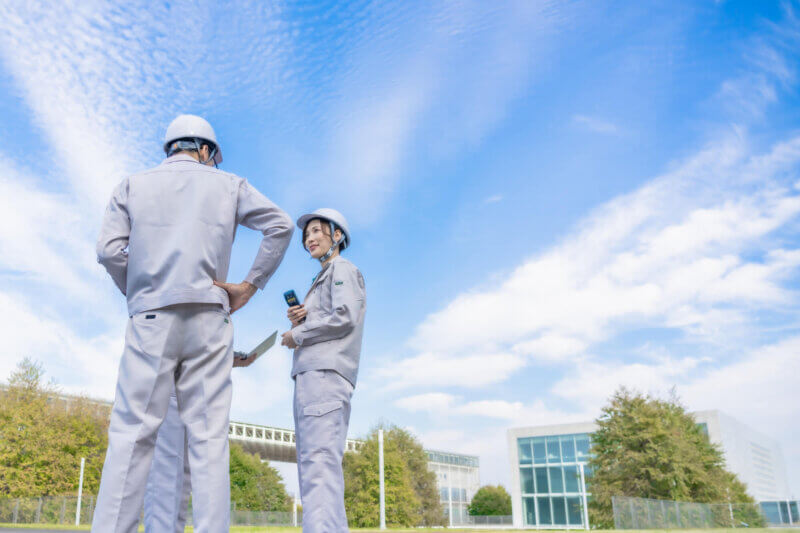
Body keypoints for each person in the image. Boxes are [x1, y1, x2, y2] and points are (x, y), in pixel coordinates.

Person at [92, 114, 293, 533]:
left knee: (131, 436)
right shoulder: (230, 184)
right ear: (204, 149)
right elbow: (281, 225)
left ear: (171, 147)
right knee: (208, 442)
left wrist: (144, 289)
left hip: (150, 318)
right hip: (209, 315)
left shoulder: (132, 185)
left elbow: (109, 251)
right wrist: (249, 286)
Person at [281, 208, 366, 533]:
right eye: (306, 235)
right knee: (315, 466)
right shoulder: (324, 277)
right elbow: (331, 319)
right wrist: (303, 320)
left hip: (324, 376)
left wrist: (298, 334)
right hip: (313, 375)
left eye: (317, 230)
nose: (309, 238)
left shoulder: (342, 268)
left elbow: (344, 316)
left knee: (318, 465)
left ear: (337, 235)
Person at [143, 352, 257, 533]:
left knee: (172, 473)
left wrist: (224, 357)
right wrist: (222, 356)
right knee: (181, 470)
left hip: (189, 377)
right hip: (184, 376)